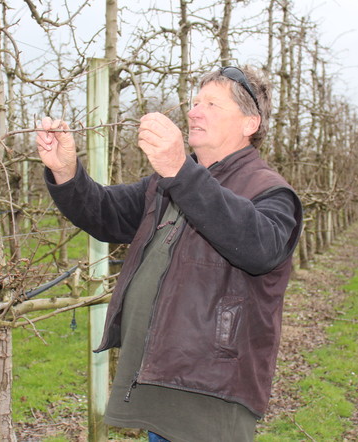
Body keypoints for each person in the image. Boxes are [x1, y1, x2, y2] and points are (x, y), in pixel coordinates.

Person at [35, 66, 303, 442]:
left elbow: (259, 248)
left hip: (211, 392)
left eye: (211, 104)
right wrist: (66, 171)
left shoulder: (271, 192)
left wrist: (180, 170)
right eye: (194, 102)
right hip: (162, 379)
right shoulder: (169, 182)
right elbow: (106, 213)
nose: (194, 112)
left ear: (250, 123)